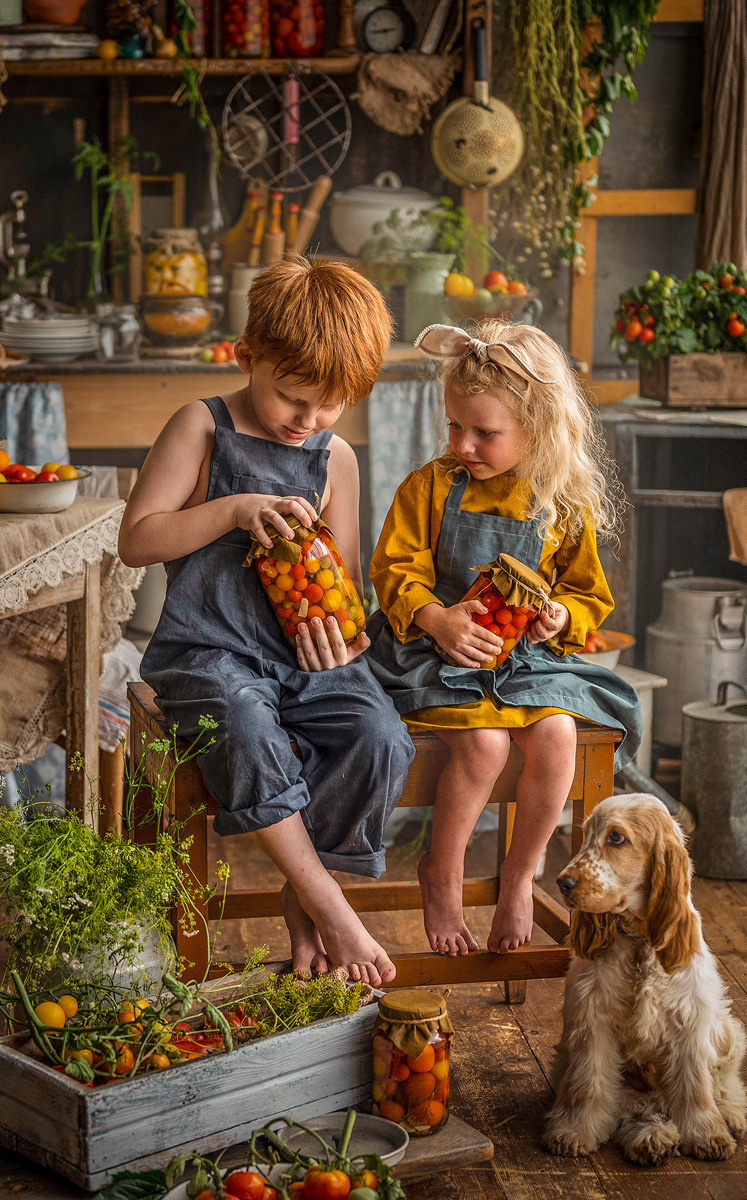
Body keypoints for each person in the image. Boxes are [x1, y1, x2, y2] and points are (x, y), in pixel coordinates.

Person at [118, 257, 414, 987]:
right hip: (206, 656)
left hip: (301, 660)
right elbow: (137, 539)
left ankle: (299, 892)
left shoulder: (333, 457)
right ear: (247, 357)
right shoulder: (203, 427)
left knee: (380, 735)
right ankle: (328, 900)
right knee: (246, 728)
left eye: (330, 407)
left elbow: (338, 578)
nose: (308, 422)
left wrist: (343, 641)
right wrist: (232, 509)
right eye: (291, 398)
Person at [366, 321, 642, 959]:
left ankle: (521, 875)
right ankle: (444, 872)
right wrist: (437, 619)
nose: (463, 444)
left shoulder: (559, 501)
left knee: (557, 735)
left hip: (527, 660)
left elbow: (588, 595)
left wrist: (560, 620)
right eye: (454, 426)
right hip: (439, 652)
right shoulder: (431, 487)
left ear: (538, 429)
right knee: (485, 747)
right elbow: (392, 571)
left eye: (484, 432)